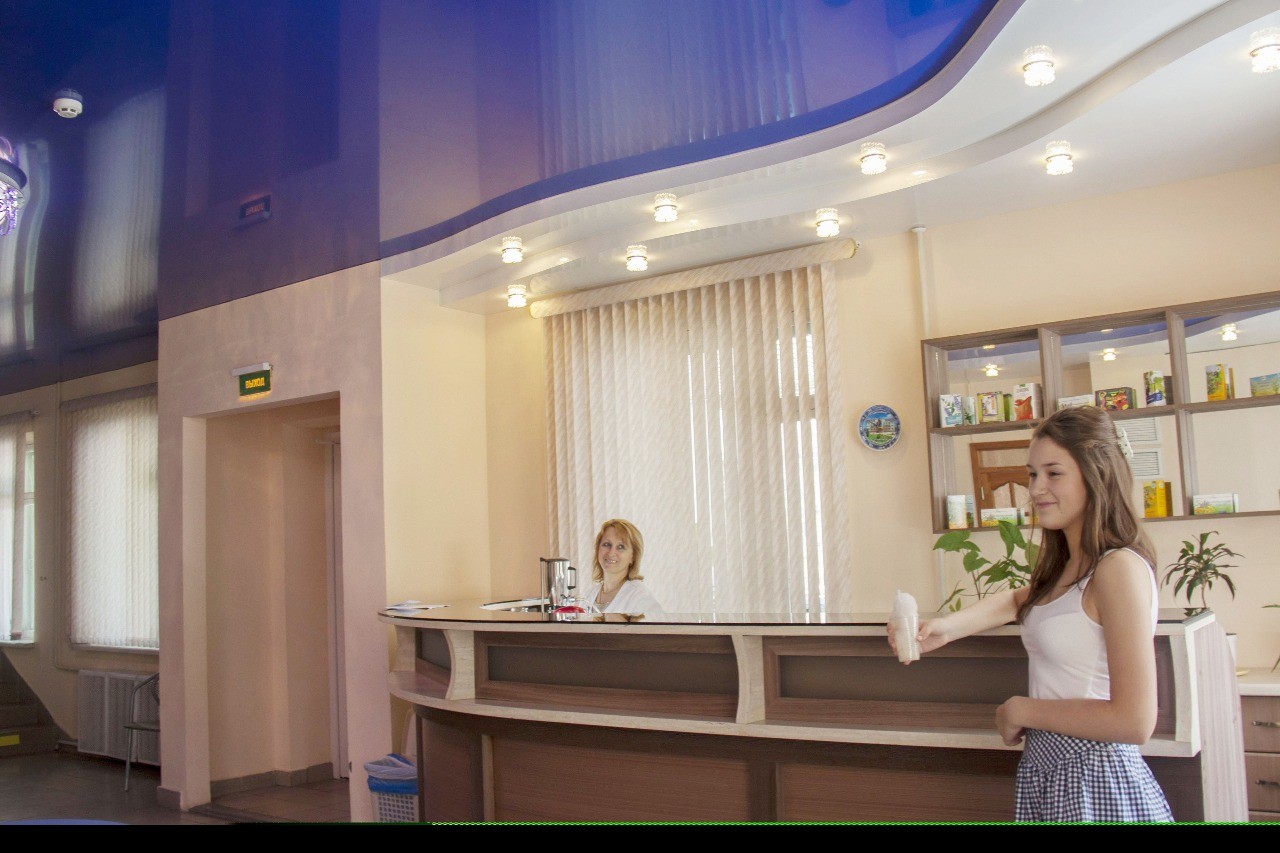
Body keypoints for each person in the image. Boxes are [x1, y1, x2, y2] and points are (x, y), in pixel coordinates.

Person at [888, 405, 1172, 822]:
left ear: (1098, 475)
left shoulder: (1119, 568)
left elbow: (1134, 720)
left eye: (1053, 473)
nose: (1036, 489)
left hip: (1095, 776)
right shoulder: (1071, 569)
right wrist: (945, 629)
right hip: (1052, 771)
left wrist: (1021, 710)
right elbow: (1018, 600)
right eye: (1032, 474)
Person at [580, 518, 665, 615]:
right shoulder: (589, 595)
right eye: (607, 544)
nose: (611, 553)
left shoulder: (641, 598)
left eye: (621, 547)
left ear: (633, 557)